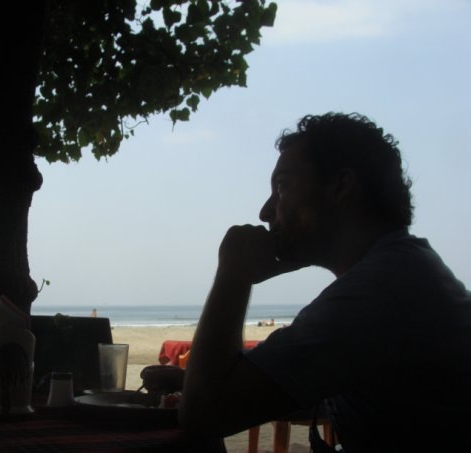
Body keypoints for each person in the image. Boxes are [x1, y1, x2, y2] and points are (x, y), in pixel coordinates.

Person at [179, 112, 471, 452]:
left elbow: (204, 413)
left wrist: (234, 273)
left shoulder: (376, 293)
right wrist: (198, 379)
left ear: (340, 187)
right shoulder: (404, 269)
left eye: (282, 186)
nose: (266, 211)